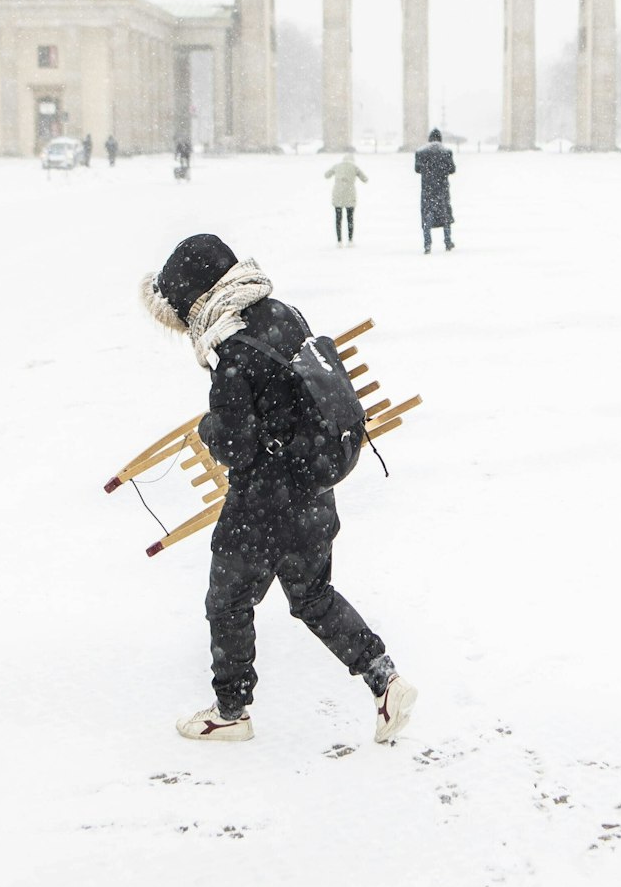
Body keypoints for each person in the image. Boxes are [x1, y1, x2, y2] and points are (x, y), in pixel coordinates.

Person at [141, 233, 416, 745]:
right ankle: (385, 679)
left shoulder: (233, 352)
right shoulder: (284, 314)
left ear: (197, 300)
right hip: (312, 489)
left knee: (227, 604)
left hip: (261, 505)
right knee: (312, 596)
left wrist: (209, 429)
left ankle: (231, 711)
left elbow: (234, 448)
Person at [413, 128, 455, 254]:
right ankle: (447, 242)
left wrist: (428, 172)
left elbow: (417, 169)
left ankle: (427, 244)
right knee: (445, 215)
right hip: (442, 188)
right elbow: (452, 169)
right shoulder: (446, 151)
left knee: (427, 216)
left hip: (427, 189)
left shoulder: (421, 152)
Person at [324, 153, 368, 245]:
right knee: (350, 218)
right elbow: (365, 179)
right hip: (350, 195)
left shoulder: (336, 166)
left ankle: (339, 241)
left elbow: (326, 175)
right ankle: (350, 240)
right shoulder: (354, 167)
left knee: (338, 218)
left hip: (338, 195)